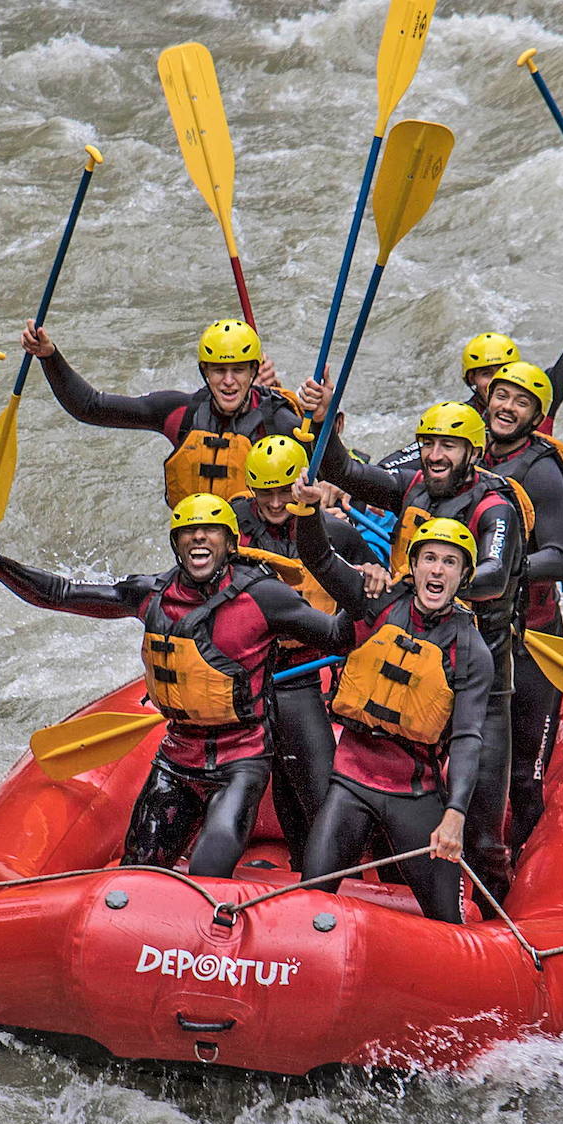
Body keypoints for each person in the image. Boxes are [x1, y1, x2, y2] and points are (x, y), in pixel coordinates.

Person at [0, 492, 350, 879]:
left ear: (230, 544)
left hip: (241, 763)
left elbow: (336, 635)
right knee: (138, 871)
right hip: (176, 759)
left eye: (211, 531)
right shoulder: (150, 595)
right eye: (189, 532)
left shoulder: (265, 597)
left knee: (209, 868)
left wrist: (371, 594)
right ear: (176, 545)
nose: (199, 538)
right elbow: (61, 594)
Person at [293, 385, 525, 903]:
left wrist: (444, 583)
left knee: (483, 834)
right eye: (429, 444)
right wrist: (326, 416)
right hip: (404, 634)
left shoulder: (495, 508)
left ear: (474, 452)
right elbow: (346, 474)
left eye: (449, 447)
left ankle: (497, 924)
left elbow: (494, 571)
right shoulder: (414, 485)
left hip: (471, 668)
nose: (436, 456)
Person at [292, 501, 493, 924]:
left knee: (446, 923)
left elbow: (468, 738)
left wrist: (454, 815)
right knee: (309, 903)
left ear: (463, 577)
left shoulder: (471, 650)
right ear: (414, 565)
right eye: (431, 559)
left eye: (450, 563)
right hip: (351, 782)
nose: (438, 571)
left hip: (413, 794)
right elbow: (320, 559)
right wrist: (309, 511)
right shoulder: (377, 602)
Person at [231, 436, 383, 869]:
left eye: (286, 491)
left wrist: (372, 573)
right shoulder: (231, 525)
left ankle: (324, 879)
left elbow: (376, 587)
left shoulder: (333, 532)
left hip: (299, 671)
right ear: (252, 489)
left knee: (317, 790)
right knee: (279, 780)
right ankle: (298, 866)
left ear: (304, 484)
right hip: (245, 670)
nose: (277, 502)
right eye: (267, 493)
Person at [377, 233, 563, 472]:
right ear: (471, 380)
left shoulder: (543, 394)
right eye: (485, 374)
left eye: (502, 372)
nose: (494, 383)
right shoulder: (460, 419)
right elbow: (412, 457)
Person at [20, 318, 301, 506]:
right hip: (199, 555)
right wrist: (49, 356)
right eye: (219, 370)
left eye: (238, 370)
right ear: (205, 372)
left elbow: (325, 476)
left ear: (253, 371)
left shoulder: (279, 422)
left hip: (261, 560)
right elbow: (90, 407)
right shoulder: (181, 414)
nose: (228, 381)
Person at [478, 361, 563, 856]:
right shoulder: (467, 453)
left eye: (521, 402)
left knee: (522, 776)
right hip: (478, 635)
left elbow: (562, 558)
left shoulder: (541, 470)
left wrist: (504, 566)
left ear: (536, 415)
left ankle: (523, 874)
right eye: (502, 396)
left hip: (531, 642)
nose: (507, 408)